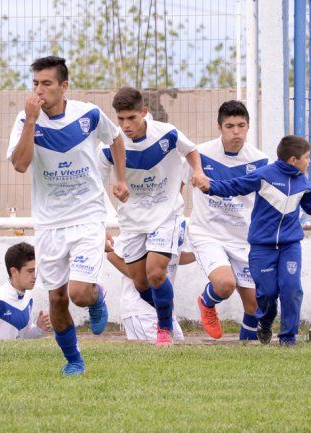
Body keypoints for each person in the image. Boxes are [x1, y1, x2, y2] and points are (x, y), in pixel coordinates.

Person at [7, 56, 129, 376]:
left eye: (46, 83)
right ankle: (74, 360)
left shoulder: (88, 114)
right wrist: (31, 122)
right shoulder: (25, 120)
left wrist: (120, 178)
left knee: (79, 293)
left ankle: (96, 296)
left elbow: (116, 137)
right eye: (35, 83)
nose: (39, 90)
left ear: (64, 87)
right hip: (49, 223)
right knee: (58, 298)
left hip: (88, 215)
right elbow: (20, 164)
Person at [199, 135, 311, 345]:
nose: (309, 162)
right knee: (267, 294)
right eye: (306, 157)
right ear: (293, 160)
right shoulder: (264, 175)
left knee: (291, 288)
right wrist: (209, 187)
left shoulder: (303, 182)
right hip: (262, 247)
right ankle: (265, 323)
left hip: (289, 246)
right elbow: (234, 186)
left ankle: (288, 338)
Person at [98, 87, 208, 347]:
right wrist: (101, 224)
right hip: (132, 219)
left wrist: (198, 171)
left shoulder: (166, 133)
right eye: (120, 119)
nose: (125, 125)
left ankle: (164, 328)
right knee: (140, 281)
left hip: (166, 214)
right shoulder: (108, 146)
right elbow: (96, 188)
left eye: (131, 118)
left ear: (144, 113)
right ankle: (164, 317)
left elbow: (191, 150)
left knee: (156, 273)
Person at [187, 100, 269, 341]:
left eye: (241, 126)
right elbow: (178, 184)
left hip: (243, 238)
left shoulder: (261, 162)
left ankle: (247, 350)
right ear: (219, 127)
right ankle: (206, 302)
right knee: (225, 284)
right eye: (230, 126)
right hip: (208, 233)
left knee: (255, 307)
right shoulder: (199, 154)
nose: (236, 132)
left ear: (248, 126)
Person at [105, 227, 188, 342]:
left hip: (164, 305)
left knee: (178, 347)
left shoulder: (179, 222)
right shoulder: (143, 222)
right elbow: (112, 254)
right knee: (161, 351)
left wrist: (203, 253)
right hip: (140, 308)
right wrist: (141, 278)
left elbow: (175, 255)